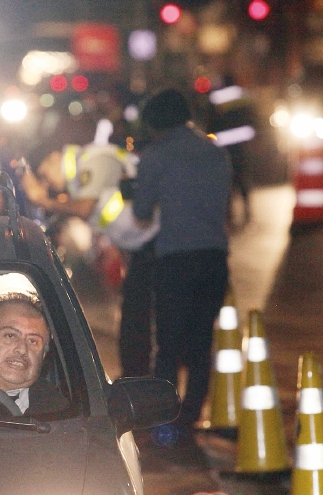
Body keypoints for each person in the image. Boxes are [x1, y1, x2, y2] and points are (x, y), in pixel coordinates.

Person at [133, 89, 232, 449]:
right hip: (214, 259)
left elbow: (142, 212)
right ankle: (190, 416)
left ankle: (165, 418)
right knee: (201, 341)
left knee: (169, 344)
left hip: (176, 260)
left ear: (155, 124)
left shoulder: (156, 156)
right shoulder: (215, 151)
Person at [22, 141, 159, 379]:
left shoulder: (97, 159)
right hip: (141, 249)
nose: (47, 183)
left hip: (157, 246)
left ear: (55, 158)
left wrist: (43, 200)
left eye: (45, 174)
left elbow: (85, 208)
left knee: (143, 322)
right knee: (135, 322)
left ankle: (143, 383)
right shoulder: (78, 180)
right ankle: (137, 379)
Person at [0, 293, 68, 416]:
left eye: (33, 341)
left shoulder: (62, 412)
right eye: (10, 336)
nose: (22, 349)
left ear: (43, 355)